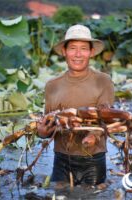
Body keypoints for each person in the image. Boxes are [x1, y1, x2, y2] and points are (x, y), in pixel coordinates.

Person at [37, 24, 115, 186]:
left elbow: (106, 118)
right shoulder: (52, 85)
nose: (78, 54)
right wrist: (42, 132)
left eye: (84, 49)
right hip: (61, 160)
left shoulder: (103, 81)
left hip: (93, 160)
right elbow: (48, 125)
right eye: (72, 48)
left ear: (91, 52)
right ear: (64, 51)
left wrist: (93, 135)